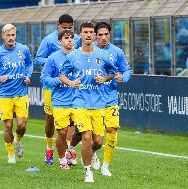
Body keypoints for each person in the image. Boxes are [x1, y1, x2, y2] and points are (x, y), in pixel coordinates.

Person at [59, 22, 117, 183]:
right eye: (86, 32)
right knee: (86, 136)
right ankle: (88, 172)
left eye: (91, 32)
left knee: (98, 141)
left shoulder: (103, 55)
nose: (89, 35)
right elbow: (62, 75)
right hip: (80, 103)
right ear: (81, 35)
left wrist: (104, 78)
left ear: (94, 34)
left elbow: (113, 72)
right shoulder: (73, 56)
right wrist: (71, 83)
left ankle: (89, 154)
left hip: (98, 104)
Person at [35, 14, 80, 165]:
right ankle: (49, 148)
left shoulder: (77, 40)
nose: (67, 30)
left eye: (70, 28)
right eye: (64, 28)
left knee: (72, 123)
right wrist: (54, 61)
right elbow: (38, 59)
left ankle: (68, 151)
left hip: (72, 89)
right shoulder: (49, 40)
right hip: (53, 88)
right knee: (50, 119)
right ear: (58, 26)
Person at [0, 24, 33, 164]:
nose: (11, 38)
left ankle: (17, 141)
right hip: (5, 95)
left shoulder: (23, 49)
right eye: (8, 35)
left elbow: (29, 64)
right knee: (8, 127)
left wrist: (28, 75)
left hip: (21, 93)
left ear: (15, 35)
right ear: (3, 36)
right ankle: (10, 154)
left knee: (22, 125)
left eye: (13, 35)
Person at [94, 21, 131, 176]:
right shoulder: (87, 51)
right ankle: (91, 152)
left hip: (110, 98)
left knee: (112, 130)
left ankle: (105, 166)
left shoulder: (117, 52)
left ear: (110, 34)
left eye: (106, 34)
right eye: (100, 35)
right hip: (92, 99)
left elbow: (126, 70)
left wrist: (124, 77)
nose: (103, 37)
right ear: (95, 36)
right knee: (96, 140)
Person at [40, 30, 75, 169]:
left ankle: (70, 149)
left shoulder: (80, 56)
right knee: (61, 132)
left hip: (78, 100)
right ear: (60, 41)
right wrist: (59, 80)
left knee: (81, 131)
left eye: (72, 38)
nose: (70, 40)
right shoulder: (53, 58)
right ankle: (62, 160)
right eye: (66, 38)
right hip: (61, 100)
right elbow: (44, 77)